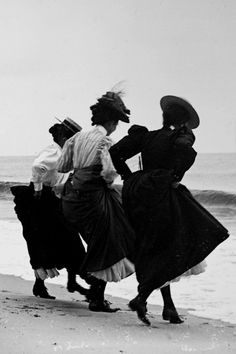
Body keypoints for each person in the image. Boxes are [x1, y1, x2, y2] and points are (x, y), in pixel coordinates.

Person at [109, 95, 229, 325]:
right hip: (163, 195)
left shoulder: (147, 136)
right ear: (183, 122)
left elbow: (115, 152)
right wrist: (174, 176)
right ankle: (144, 298)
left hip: (139, 194)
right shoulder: (181, 136)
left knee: (154, 246)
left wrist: (128, 175)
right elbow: (186, 151)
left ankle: (167, 306)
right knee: (181, 241)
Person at [57, 91, 136, 312]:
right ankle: (97, 299)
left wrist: (82, 168)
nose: (115, 128)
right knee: (108, 242)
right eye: (116, 123)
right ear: (111, 121)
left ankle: (95, 294)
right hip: (95, 198)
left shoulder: (76, 137)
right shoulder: (105, 141)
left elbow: (63, 167)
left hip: (73, 198)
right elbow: (109, 173)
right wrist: (110, 182)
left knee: (96, 243)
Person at [11, 118, 89, 299]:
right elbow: (37, 167)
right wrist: (38, 190)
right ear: (65, 137)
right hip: (41, 198)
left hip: (50, 198)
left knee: (46, 239)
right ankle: (85, 281)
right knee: (51, 238)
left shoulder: (62, 152)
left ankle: (43, 285)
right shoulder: (55, 152)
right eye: (73, 138)